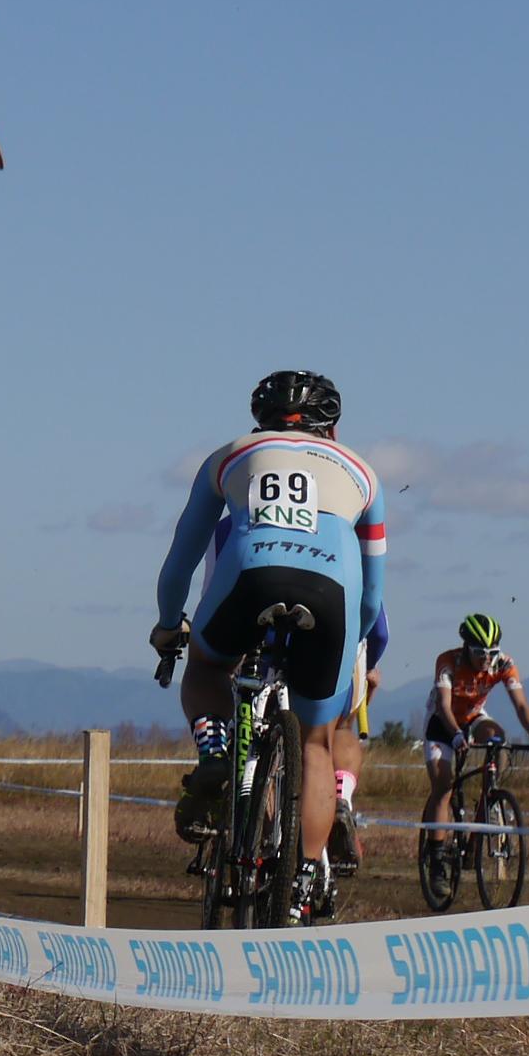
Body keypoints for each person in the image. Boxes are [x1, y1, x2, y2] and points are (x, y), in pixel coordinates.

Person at [151, 371, 386, 918]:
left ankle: (215, 755)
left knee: (207, 667)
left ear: (261, 420)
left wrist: (167, 626)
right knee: (316, 744)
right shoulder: (364, 473)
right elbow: (373, 597)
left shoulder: (229, 456)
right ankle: (301, 882)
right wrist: (350, 647)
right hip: (331, 595)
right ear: (333, 427)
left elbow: (180, 562)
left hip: (247, 577)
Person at [421, 611, 529, 832]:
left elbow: (521, 705)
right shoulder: (449, 661)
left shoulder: (504, 664)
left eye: (492, 653)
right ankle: (436, 850)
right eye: (479, 653)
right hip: (441, 722)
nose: (486, 659)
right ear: (466, 647)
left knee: (497, 739)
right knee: (443, 787)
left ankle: (489, 801)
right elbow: (443, 705)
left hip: (473, 716)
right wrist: (456, 735)